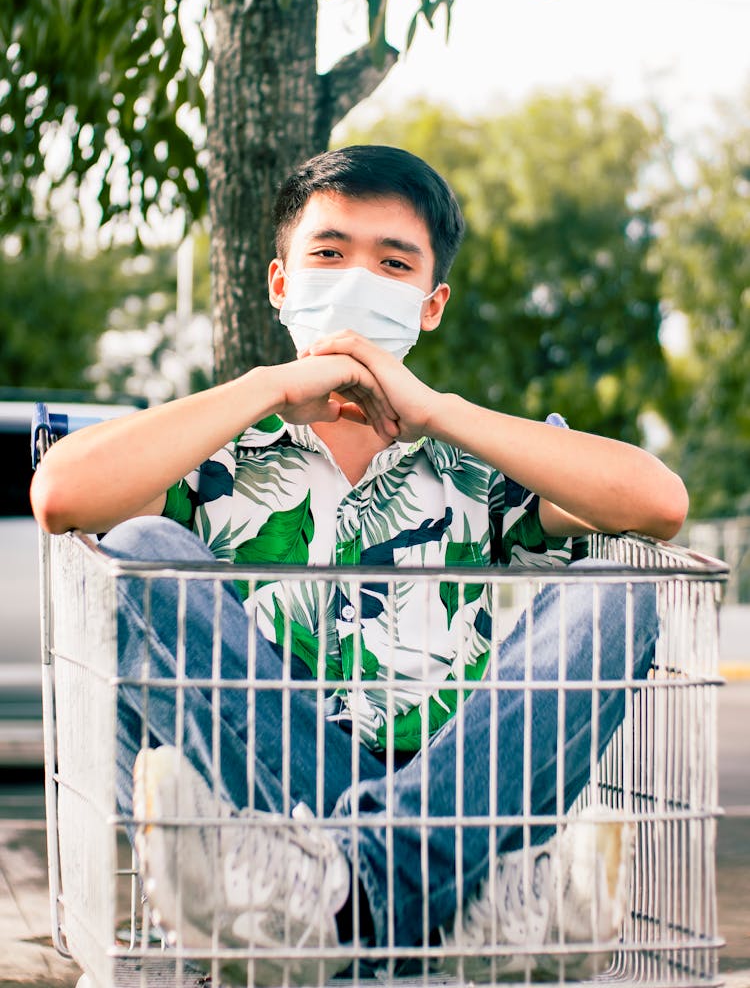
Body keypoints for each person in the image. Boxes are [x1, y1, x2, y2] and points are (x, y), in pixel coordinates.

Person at [31, 145, 687, 984]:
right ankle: (446, 902)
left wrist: (438, 411)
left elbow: (658, 504)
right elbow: (62, 496)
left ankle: (344, 900)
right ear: (280, 283)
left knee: (614, 593)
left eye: (393, 263)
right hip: (266, 789)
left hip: (451, 772)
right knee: (141, 551)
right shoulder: (208, 453)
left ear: (431, 303)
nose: (356, 281)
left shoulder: (477, 467)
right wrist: (272, 387)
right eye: (330, 254)